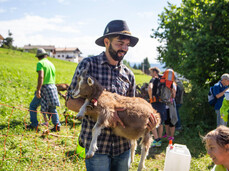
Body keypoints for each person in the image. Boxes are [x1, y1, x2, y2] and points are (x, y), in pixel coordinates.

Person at [66, 20, 157, 171]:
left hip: (123, 147)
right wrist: (104, 113)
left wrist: (147, 123)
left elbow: (132, 108)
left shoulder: (129, 75)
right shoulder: (88, 65)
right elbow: (70, 101)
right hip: (97, 148)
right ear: (106, 42)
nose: (124, 49)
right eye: (120, 43)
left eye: (127, 45)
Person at [27, 48, 61, 132]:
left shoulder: (40, 63)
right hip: (52, 87)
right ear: (46, 55)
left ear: (38, 57)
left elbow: (41, 76)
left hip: (45, 88)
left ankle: (34, 124)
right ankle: (57, 125)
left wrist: (38, 89)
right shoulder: (51, 64)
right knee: (52, 108)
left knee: (33, 106)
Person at [148, 67, 166, 147]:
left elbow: (150, 88)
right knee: (160, 122)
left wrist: (151, 98)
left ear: (155, 72)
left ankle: (156, 140)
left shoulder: (153, 80)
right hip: (163, 103)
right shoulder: (164, 79)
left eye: (151, 72)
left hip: (155, 103)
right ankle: (160, 140)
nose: (150, 74)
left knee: (153, 121)